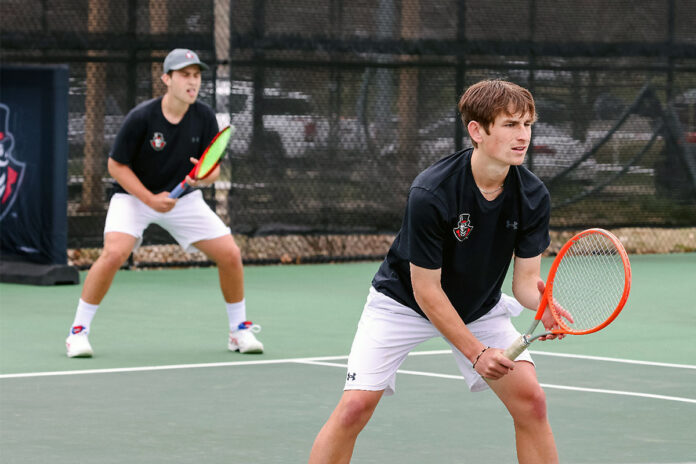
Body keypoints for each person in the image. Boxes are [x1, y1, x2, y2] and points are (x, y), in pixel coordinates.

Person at [308, 80, 570, 463]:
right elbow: (426, 292)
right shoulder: (432, 192)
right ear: (477, 131)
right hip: (402, 304)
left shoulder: (533, 196)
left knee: (532, 402)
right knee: (354, 410)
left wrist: (543, 304)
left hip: (478, 307)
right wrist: (478, 353)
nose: (523, 136)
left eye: (528, 124)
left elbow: (526, 282)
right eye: (511, 125)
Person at [65, 49, 263, 358]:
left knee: (230, 254)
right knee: (114, 254)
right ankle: (78, 332)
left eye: (196, 76)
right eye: (185, 75)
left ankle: (238, 330)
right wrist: (148, 199)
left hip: (183, 200)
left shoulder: (205, 117)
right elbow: (116, 166)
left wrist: (202, 178)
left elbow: (214, 171)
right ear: (166, 79)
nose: (192, 82)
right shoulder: (142, 117)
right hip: (133, 196)